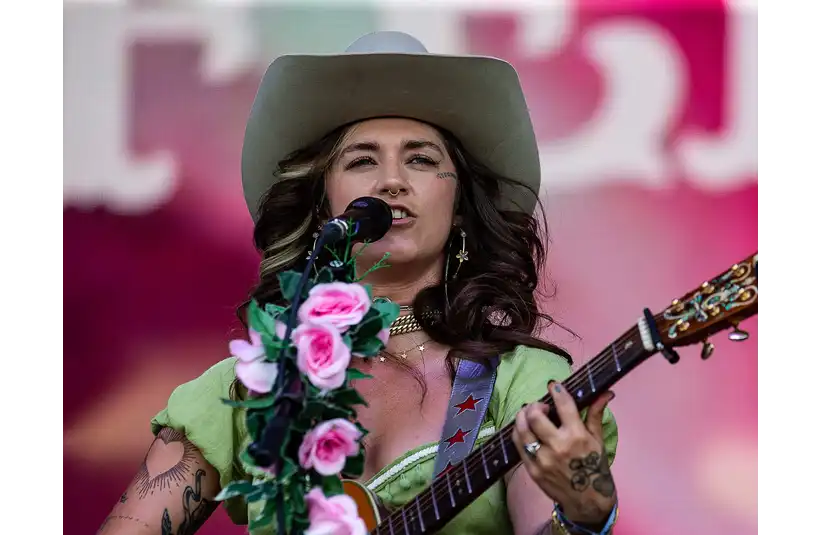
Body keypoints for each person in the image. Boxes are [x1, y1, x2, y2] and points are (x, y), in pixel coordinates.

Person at [98, 31, 620, 535]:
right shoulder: (249, 386)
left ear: (460, 207)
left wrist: (583, 514)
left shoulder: (524, 383)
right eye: (362, 160)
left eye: (421, 159)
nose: (392, 180)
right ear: (323, 203)